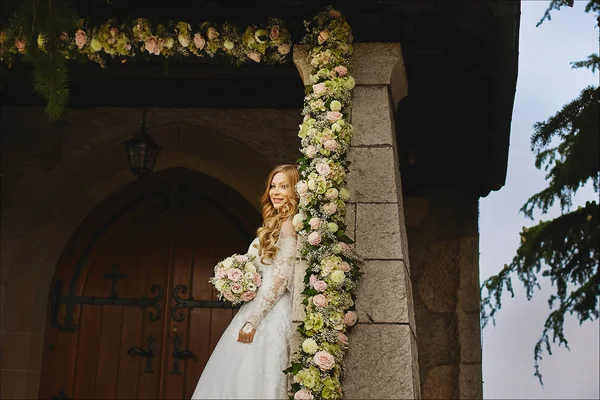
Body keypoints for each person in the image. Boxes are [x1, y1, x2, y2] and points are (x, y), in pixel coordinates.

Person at [192, 164, 300, 400]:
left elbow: (282, 278)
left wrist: (253, 321)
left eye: (284, 186)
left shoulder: (289, 225)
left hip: (269, 313)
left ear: (296, 191)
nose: (276, 192)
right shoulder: (275, 223)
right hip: (256, 307)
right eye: (273, 186)